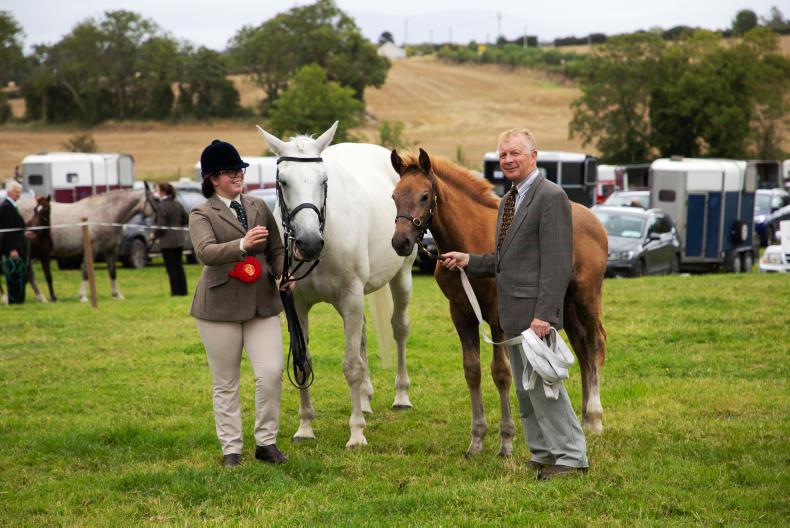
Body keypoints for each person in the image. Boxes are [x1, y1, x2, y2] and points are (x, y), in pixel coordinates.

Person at [441, 128, 589, 480]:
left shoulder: (551, 197)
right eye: (503, 154)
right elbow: (504, 260)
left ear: (533, 156)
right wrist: (468, 260)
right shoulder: (508, 200)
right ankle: (542, 452)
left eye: (515, 153)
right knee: (526, 390)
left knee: (546, 389)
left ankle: (571, 457)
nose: (508, 160)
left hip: (536, 317)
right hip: (512, 316)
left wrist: (545, 314)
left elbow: (557, 263)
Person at [189, 139, 294, 468]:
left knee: (271, 373)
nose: (237, 175)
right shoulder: (201, 213)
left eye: (239, 169)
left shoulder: (258, 206)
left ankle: (266, 442)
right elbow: (205, 252)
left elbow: (276, 249)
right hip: (219, 307)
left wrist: (283, 272)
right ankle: (231, 449)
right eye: (229, 171)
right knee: (226, 382)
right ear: (212, 178)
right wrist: (242, 245)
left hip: (262, 302)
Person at [153, 182, 189, 296]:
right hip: (179, 240)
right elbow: (186, 219)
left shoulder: (161, 206)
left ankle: (175, 292)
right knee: (179, 266)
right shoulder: (177, 204)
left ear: (163, 192)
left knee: (171, 267)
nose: (156, 193)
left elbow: (161, 226)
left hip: (167, 242)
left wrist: (154, 235)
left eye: (157, 190)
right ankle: (183, 291)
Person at [0, 180, 28, 304]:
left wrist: (24, 233)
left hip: (17, 246)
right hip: (13, 249)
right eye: (16, 192)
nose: (18, 194)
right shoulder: (7, 207)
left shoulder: (12, 206)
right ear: (9, 192)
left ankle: (18, 300)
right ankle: (14, 300)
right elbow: (7, 231)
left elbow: (15, 227)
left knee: (18, 274)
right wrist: (12, 249)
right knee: (14, 274)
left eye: (19, 192)